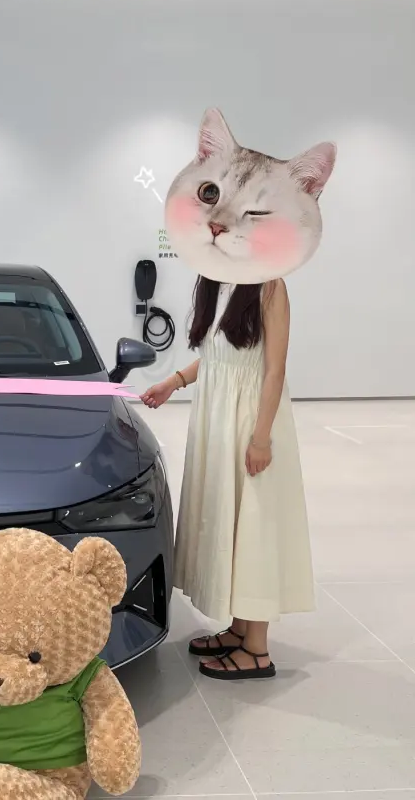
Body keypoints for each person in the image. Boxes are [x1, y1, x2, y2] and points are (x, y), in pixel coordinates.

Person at [141, 274, 314, 680]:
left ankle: (256, 649)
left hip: (249, 420)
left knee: (253, 525)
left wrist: (261, 438)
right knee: (234, 522)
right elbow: (220, 356)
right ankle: (240, 629)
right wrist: (173, 383)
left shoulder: (270, 286)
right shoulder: (214, 282)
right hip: (219, 421)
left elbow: (274, 369)